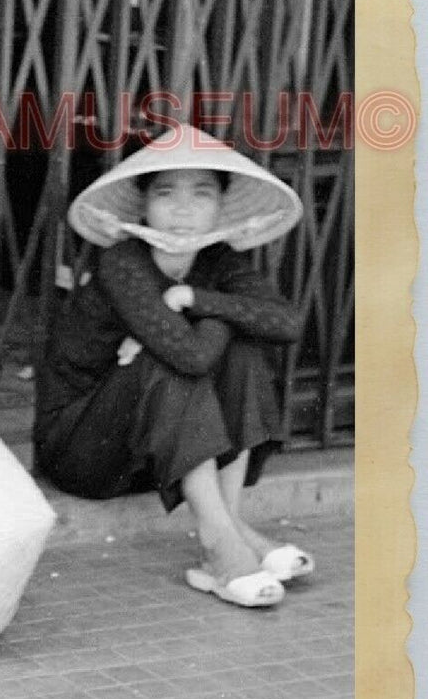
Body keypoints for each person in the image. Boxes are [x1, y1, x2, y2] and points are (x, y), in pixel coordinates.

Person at [35, 127, 309, 609]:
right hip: (86, 451)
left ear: (221, 209)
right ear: (143, 205)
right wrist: (218, 314)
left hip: (161, 459)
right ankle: (219, 545)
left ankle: (231, 527)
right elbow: (194, 358)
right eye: (166, 193)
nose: (183, 208)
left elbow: (287, 323)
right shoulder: (123, 261)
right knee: (175, 362)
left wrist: (198, 300)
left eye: (201, 193)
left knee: (240, 353)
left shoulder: (218, 261)